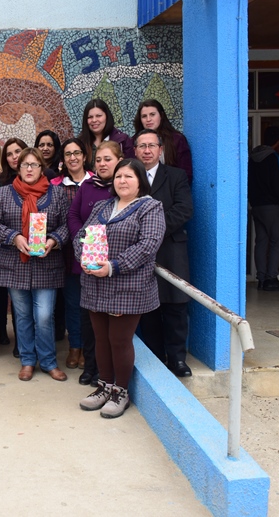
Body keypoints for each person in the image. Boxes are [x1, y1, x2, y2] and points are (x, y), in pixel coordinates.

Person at [76, 158, 165, 419]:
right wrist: (83, 256)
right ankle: (104, 386)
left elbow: (148, 245)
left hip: (127, 285)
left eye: (128, 176)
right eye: (118, 177)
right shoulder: (104, 206)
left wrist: (113, 266)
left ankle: (120, 392)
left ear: (140, 182)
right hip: (95, 283)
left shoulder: (150, 207)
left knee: (119, 339)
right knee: (100, 338)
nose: (122, 181)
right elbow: (82, 235)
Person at [0, 147, 70, 382]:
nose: (30, 169)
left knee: (44, 316)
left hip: (47, 263)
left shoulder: (57, 194)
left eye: (34, 165)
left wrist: (53, 241)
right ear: (18, 168)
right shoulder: (3, 193)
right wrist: (14, 237)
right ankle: (27, 360)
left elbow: (67, 225)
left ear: (42, 168)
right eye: (25, 165)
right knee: (22, 315)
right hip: (15, 264)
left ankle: (49, 362)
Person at [133, 129, 195, 377]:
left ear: (161, 149)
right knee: (148, 309)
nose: (147, 150)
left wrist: (153, 229)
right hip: (139, 251)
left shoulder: (176, 176)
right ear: (135, 151)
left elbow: (184, 209)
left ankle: (178, 359)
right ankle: (156, 357)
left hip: (171, 248)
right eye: (142, 146)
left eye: (151, 145)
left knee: (175, 306)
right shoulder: (130, 176)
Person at [68, 140, 124, 386]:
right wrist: (84, 246)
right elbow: (73, 215)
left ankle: (107, 373)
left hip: (114, 268)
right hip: (87, 264)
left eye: (107, 159)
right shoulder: (88, 186)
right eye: (98, 160)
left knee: (111, 325)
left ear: (119, 161)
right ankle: (90, 367)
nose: (102, 164)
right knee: (88, 320)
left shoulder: (125, 186)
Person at [51, 137, 92, 370]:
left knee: (91, 305)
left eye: (77, 153)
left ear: (84, 156)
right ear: (63, 159)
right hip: (66, 253)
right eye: (68, 154)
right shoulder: (56, 185)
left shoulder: (97, 182)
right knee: (72, 302)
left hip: (94, 252)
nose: (73, 158)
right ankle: (74, 346)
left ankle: (88, 347)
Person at [0, 137, 28, 352]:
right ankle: (15, 339)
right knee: (16, 300)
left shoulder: (43, 181)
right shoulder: (0, 183)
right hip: (8, 249)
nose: (15, 157)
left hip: (37, 251)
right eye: (10, 154)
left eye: (18, 152)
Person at [249, 126, 279, 292]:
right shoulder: (273, 158)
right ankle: (271, 278)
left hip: (257, 207)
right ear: (278, 142)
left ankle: (261, 279)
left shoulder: (252, 158)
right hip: (272, 208)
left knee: (261, 241)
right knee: (277, 241)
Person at [134, 99, 193, 183]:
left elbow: (186, 174)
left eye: (152, 114)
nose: (148, 119)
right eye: (144, 116)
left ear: (161, 115)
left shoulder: (177, 139)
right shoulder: (134, 140)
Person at [77, 99, 134, 164]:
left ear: (107, 116)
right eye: (90, 117)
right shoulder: (80, 143)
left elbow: (131, 167)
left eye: (98, 116)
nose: (94, 120)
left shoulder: (122, 141)